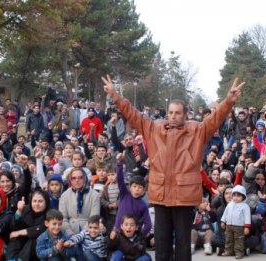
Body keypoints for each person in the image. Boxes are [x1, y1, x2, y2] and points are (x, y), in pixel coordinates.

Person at [102, 75, 245, 261]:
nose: (173, 116)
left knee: (184, 245)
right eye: (170, 112)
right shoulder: (154, 128)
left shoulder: (197, 130)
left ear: (185, 115)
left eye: (177, 113)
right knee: (162, 244)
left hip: (184, 197)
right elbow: (133, 114)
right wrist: (115, 95)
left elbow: (215, 119)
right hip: (160, 196)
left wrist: (228, 101)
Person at [6, 190, 50, 261]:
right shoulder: (26, 209)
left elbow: (41, 229)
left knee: (33, 240)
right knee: (15, 239)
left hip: (39, 247)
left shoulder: (49, 213)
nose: (37, 204)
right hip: (23, 242)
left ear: (46, 202)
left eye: (40, 201)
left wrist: (19, 232)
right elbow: (14, 227)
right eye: (34, 201)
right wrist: (19, 211)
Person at [220, 185, 251, 259]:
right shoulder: (230, 204)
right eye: (234, 195)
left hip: (239, 227)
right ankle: (228, 251)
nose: (235, 197)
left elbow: (247, 217)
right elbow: (225, 213)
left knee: (239, 240)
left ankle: (239, 253)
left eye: (238, 196)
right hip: (228, 225)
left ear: (243, 196)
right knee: (228, 239)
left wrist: (247, 227)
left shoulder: (245, 206)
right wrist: (223, 221)